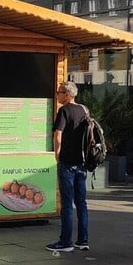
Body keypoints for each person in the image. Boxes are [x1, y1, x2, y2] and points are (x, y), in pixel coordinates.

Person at [45, 81, 90, 253]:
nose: (57, 95)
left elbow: (58, 135)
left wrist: (57, 155)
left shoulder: (64, 111)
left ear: (68, 94)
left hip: (68, 162)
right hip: (82, 163)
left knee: (67, 203)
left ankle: (66, 242)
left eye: (60, 92)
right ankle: (83, 240)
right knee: (81, 202)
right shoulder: (84, 110)